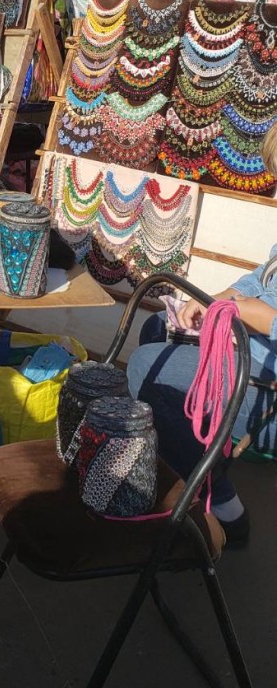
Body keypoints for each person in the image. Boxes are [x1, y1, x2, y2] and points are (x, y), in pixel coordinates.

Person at [127, 127, 277, 548]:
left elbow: (268, 313)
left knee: (146, 369)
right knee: (157, 328)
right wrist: (213, 300)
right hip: (253, 356)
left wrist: (234, 313)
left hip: (267, 386)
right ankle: (191, 454)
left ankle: (222, 503)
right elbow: (260, 279)